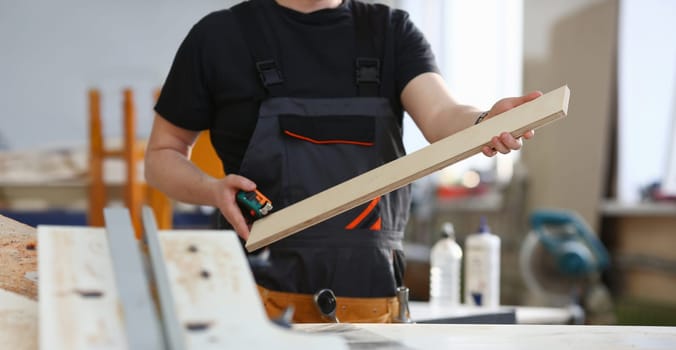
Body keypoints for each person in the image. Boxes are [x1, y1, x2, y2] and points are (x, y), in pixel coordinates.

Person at [145, 0, 540, 323]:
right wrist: (211, 190)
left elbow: (442, 116)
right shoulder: (218, 37)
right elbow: (162, 155)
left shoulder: (391, 31)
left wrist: (485, 122)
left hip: (373, 311)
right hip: (253, 308)